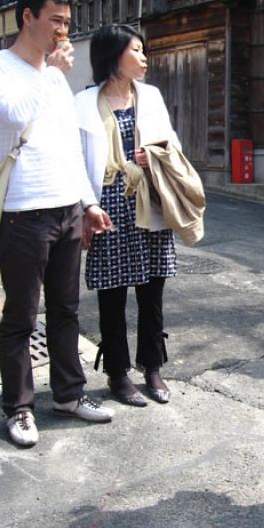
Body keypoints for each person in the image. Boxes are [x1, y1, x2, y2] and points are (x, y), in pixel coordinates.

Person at [0, 0, 114, 448]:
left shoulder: (55, 77)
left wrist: (89, 203)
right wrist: (49, 73)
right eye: (56, 20)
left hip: (65, 207)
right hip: (22, 212)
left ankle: (68, 395)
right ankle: (19, 408)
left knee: (65, 310)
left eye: (66, 22)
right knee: (21, 315)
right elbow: (15, 116)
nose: (63, 30)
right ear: (28, 17)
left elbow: (68, 147)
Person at [75, 24, 180, 407]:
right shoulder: (83, 103)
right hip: (107, 209)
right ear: (114, 56)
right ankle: (118, 374)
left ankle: (153, 368)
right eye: (136, 50)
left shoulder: (150, 97)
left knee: (152, 294)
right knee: (112, 296)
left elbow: (173, 144)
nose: (144, 58)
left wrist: (153, 155)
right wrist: (87, 207)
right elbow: (74, 161)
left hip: (148, 202)